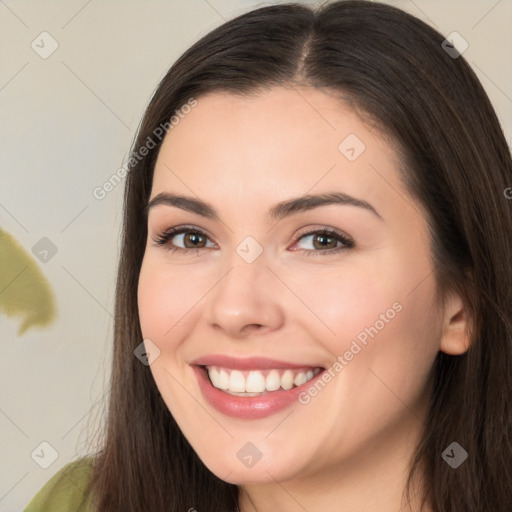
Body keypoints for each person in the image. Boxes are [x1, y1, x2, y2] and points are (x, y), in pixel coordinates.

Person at [24, 1, 512, 511]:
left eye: (322, 240)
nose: (235, 309)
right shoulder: (81, 502)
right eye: (191, 238)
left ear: (462, 304)